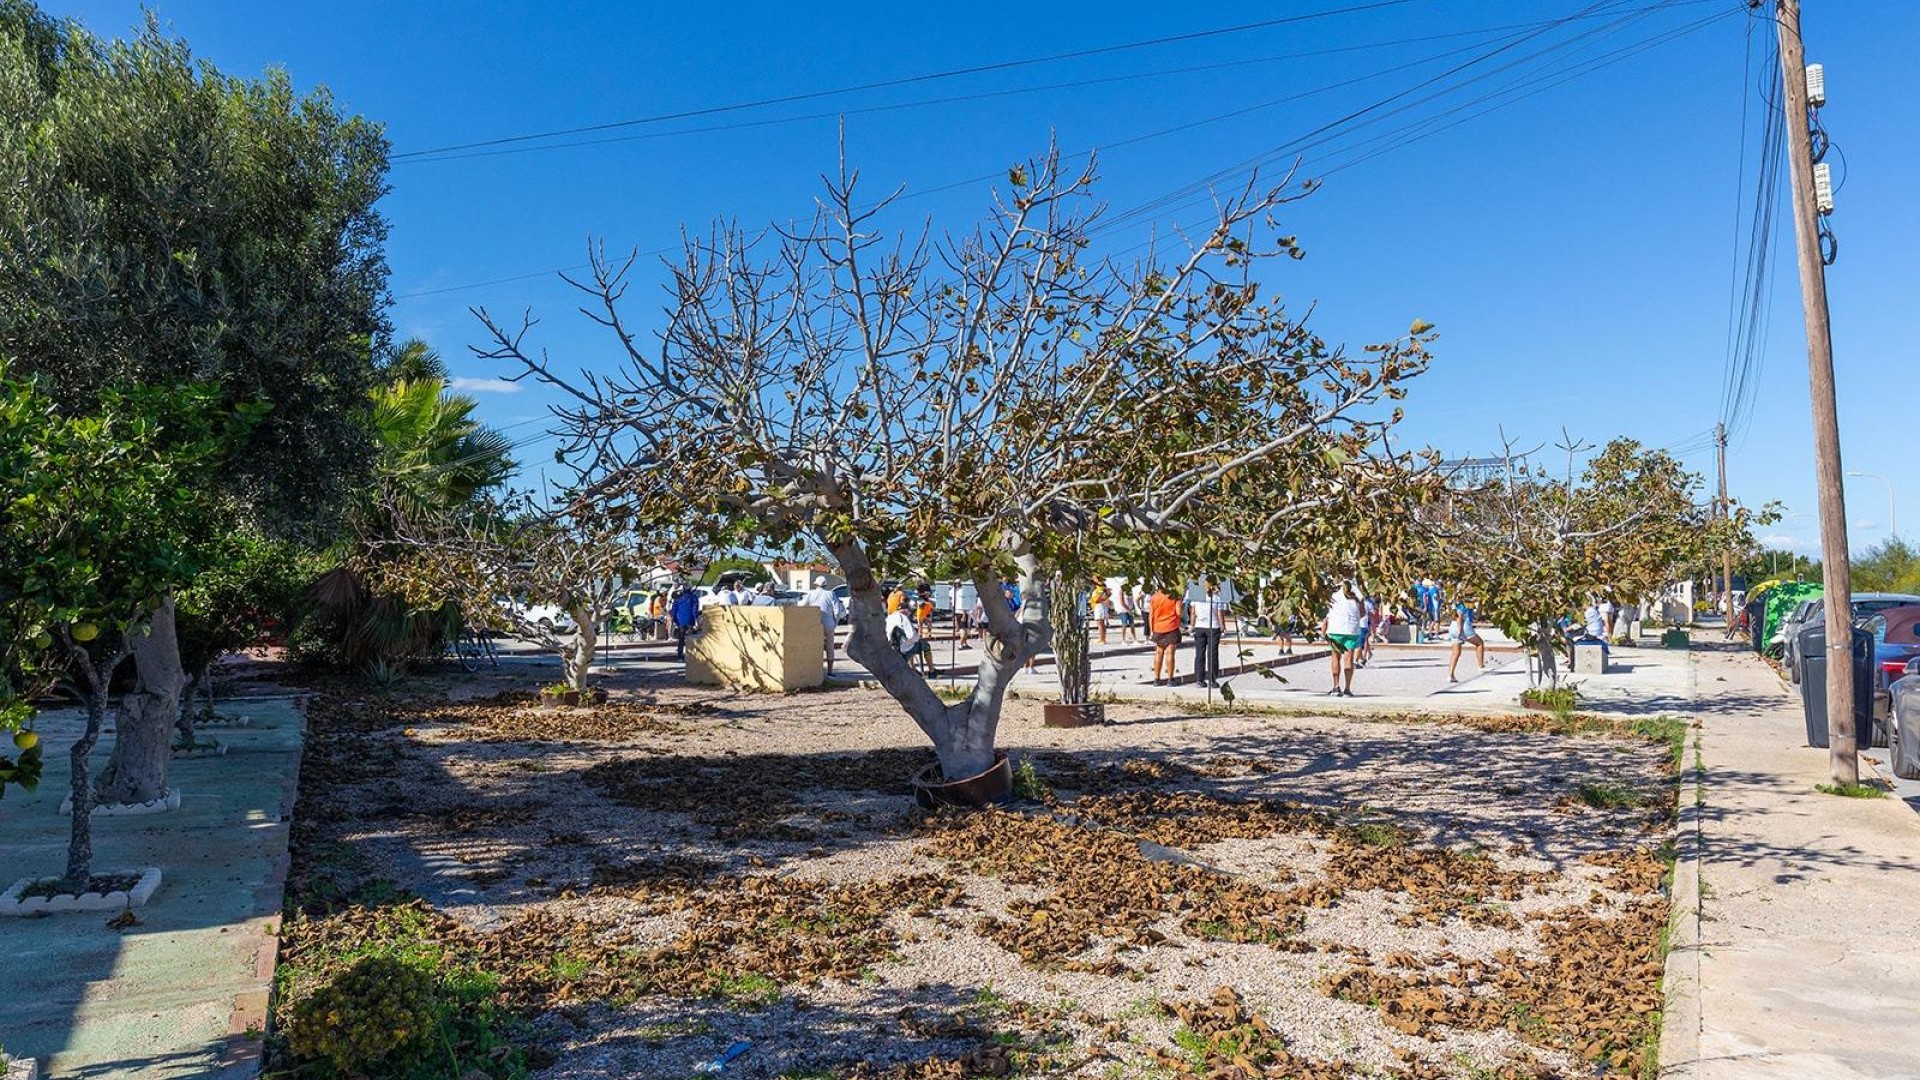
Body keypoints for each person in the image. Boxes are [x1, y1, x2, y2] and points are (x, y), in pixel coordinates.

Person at [1323, 584, 1363, 697]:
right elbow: (1363, 612)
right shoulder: (1357, 589)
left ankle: (1336, 687)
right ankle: (1347, 689)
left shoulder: (1333, 590)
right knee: (1349, 659)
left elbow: (1328, 612)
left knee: (1335, 657)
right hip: (1351, 629)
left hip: (1335, 628)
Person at [1188, 580, 1226, 688]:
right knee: (1212, 654)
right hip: (1213, 626)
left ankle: (1199, 679)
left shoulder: (1197, 598)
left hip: (1199, 626)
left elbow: (1193, 612)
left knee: (1199, 653)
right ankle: (1212, 679)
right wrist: (1223, 626)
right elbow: (1219, 613)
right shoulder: (1217, 597)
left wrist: (1192, 625)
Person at [801, 576, 843, 674]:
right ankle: (830, 671)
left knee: (815, 647)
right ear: (825, 584)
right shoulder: (831, 594)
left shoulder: (811, 594)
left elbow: (802, 605)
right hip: (829, 624)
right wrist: (835, 623)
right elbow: (837, 611)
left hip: (815, 623)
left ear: (815, 584)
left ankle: (816, 670)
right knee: (829, 647)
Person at [887, 605, 936, 675]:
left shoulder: (889, 618)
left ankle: (912, 668)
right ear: (906, 610)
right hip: (904, 647)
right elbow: (912, 636)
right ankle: (932, 671)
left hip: (892, 646)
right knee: (925, 645)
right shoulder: (903, 618)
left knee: (910, 643)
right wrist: (918, 637)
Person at [1149, 585, 1183, 686]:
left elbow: (1151, 614)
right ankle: (1170, 679)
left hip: (1158, 626)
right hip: (1171, 626)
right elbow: (1179, 612)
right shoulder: (1175, 596)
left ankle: (1156, 678)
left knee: (1158, 652)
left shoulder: (1155, 597)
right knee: (1170, 653)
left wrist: (1152, 629)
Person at [1448, 599, 1487, 682]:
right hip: (1463, 627)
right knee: (1479, 643)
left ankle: (1450, 675)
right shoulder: (1464, 604)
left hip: (1452, 627)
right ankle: (1481, 666)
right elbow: (1459, 616)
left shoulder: (1456, 604)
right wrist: (1460, 631)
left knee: (1455, 653)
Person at [670, 584, 701, 661]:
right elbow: (695, 610)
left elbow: (674, 609)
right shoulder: (693, 597)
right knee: (691, 639)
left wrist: (673, 619)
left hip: (680, 621)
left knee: (681, 640)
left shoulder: (678, 597)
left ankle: (680, 657)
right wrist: (696, 620)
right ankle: (691, 656)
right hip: (690, 620)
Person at [1091, 580, 1111, 645]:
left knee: (1100, 624)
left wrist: (1103, 592)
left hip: (1099, 608)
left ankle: (1102, 639)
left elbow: (1097, 600)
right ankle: (1102, 638)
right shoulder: (1100, 591)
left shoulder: (1099, 592)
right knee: (1101, 624)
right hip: (1100, 608)